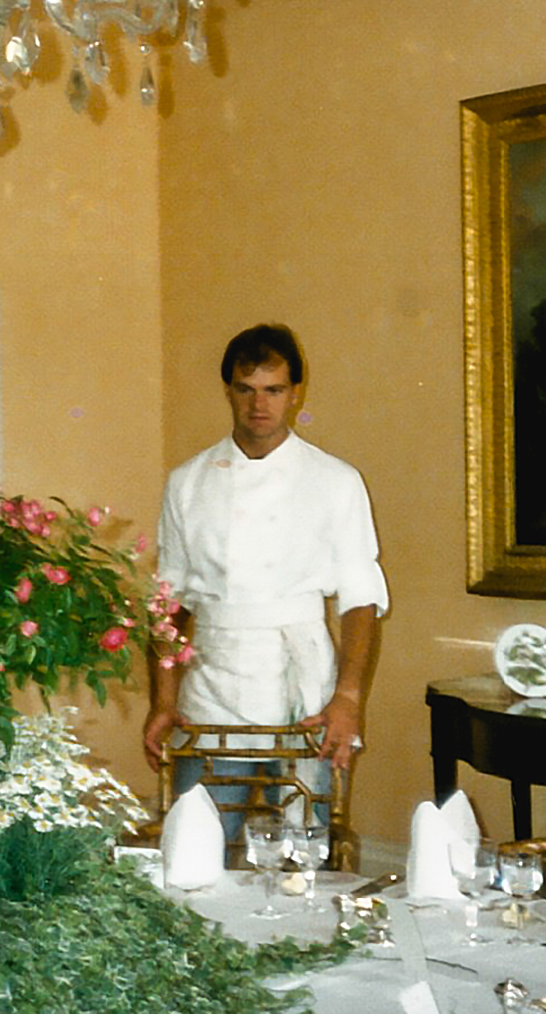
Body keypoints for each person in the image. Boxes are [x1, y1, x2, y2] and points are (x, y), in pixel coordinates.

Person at [142, 324, 388, 834]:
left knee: (306, 850)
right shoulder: (188, 481)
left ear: (295, 393)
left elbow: (360, 599)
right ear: (228, 390)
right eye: (245, 389)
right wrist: (163, 700)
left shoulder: (336, 481)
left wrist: (347, 699)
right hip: (212, 688)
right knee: (197, 842)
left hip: (305, 691)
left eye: (273, 390)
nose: (260, 404)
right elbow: (168, 600)